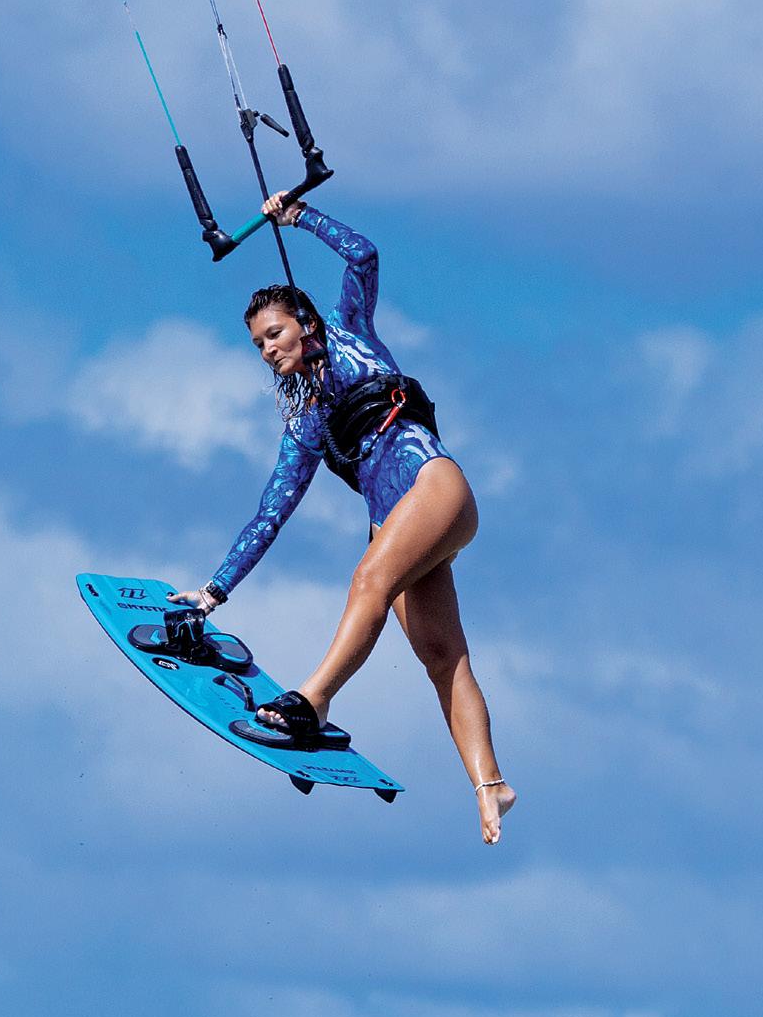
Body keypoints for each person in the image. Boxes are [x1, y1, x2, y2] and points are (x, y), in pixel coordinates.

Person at [173, 193, 516, 844]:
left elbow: (363, 255)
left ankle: (313, 700)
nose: (268, 350)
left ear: (302, 322)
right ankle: (489, 784)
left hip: (434, 488)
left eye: (274, 333)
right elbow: (268, 514)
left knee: (367, 582)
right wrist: (213, 590)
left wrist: (298, 217)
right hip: (400, 527)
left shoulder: (352, 335)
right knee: (442, 657)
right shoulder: (304, 426)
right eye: (257, 346)